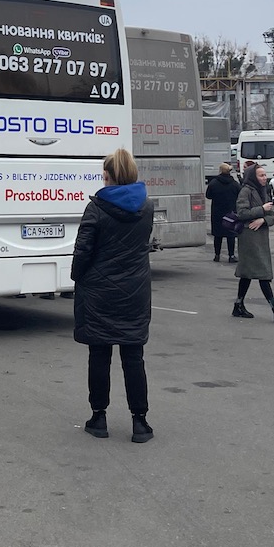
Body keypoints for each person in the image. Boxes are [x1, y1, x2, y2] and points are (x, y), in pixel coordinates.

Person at [71, 148, 156, 444]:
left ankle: (99, 417)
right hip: (135, 290)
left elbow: (83, 250)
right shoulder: (146, 207)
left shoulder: (96, 208)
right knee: (134, 355)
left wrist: (76, 277)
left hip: (99, 291)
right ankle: (140, 422)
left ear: (108, 175)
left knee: (99, 354)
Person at [233, 165, 274, 322]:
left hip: (260, 237)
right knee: (262, 272)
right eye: (261, 175)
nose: (265, 177)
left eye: (265, 175)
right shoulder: (246, 191)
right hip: (249, 237)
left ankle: (238, 305)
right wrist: (261, 210)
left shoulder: (263, 190)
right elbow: (242, 213)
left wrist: (263, 219)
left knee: (248, 273)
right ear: (253, 177)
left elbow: (273, 216)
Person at [205, 162, 241, 263]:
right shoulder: (234, 184)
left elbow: (208, 195)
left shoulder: (214, 183)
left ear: (220, 170)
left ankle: (217, 255)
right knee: (231, 235)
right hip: (231, 212)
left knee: (218, 235)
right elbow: (240, 194)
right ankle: (231, 255)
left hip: (217, 212)